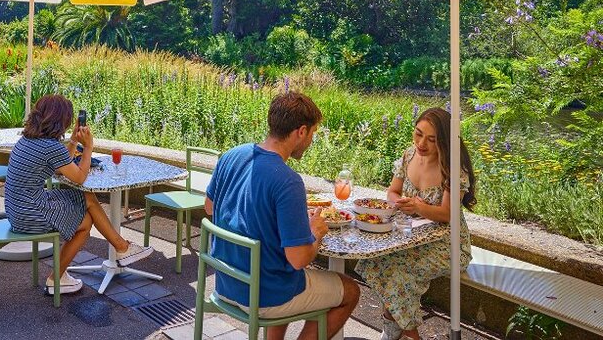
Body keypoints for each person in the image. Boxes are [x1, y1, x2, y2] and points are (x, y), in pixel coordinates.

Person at [204, 92, 360, 340]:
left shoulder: (231, 156)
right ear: (301, 131)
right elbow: (298, 260)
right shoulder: (288, 181)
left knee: (289, 272)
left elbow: (209, 208)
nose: (311, 140)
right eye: (312, 133)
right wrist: (315, 233)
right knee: (350, 290)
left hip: (225, 283)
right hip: (265, 295)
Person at [4, 94, 153, 296]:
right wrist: (89, 147)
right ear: (60, 120)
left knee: (86, 199)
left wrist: (74, 140)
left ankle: (120, 248)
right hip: (30, 214)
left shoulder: (28, 140)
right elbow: (80, 178)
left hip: (18, 209)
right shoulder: (50, 147)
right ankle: (59, 277)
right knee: (84, 222)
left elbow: (60, 166)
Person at [356, 107, 477, 340]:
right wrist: (401, 203)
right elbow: (392, 192)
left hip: (448, 245)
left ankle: (401, 335)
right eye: (418, 133)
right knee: (375, 259)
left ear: (444, 141)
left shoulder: (452, 168)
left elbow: (448, 214)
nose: (422, 143)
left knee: (394, 270)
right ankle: (401, 334)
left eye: (431, 139)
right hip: (413, 238)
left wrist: (420, 207)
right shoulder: (408, 155)